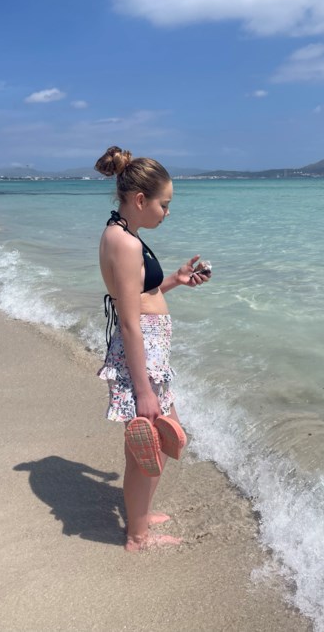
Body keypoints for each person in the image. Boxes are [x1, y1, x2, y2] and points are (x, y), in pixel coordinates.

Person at [95, 145, 211, 551]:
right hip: (141, 357)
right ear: (141, 200)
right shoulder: (125, 243)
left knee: (160, 441)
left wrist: (176, 280)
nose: (167, 212)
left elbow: (140, 295)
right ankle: (138, 536)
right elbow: (130, 321)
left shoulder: (123, 233)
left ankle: (139, 515)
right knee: (152, 445)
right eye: (165, 204)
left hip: (150, 355)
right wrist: (143, 390)